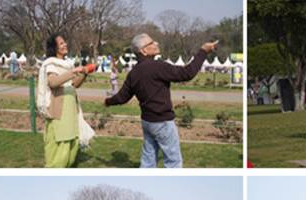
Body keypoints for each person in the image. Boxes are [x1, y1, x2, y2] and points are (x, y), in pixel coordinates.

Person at [104, 35, 217, 167]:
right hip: (162, 122)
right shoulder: (158, 66)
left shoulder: (133, 73)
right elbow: (187, 73)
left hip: (148, 122)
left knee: (148, 161)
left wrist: (108, 101)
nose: (156, 43)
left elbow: (122, 97)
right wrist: (203, 51)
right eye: (152, 42)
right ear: (144, 51)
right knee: (173, 162)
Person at [38, 34, 91, 168]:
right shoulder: (51, 63)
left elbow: (73, 85)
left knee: (72, 140)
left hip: (71, 108)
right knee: (60, 141)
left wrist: (84, 74)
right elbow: (53, 82)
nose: (65, 44)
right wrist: (73, 71)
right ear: (54, 47)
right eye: (61, 43)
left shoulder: (67, 64)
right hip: (59, 108)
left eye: (64, 42)